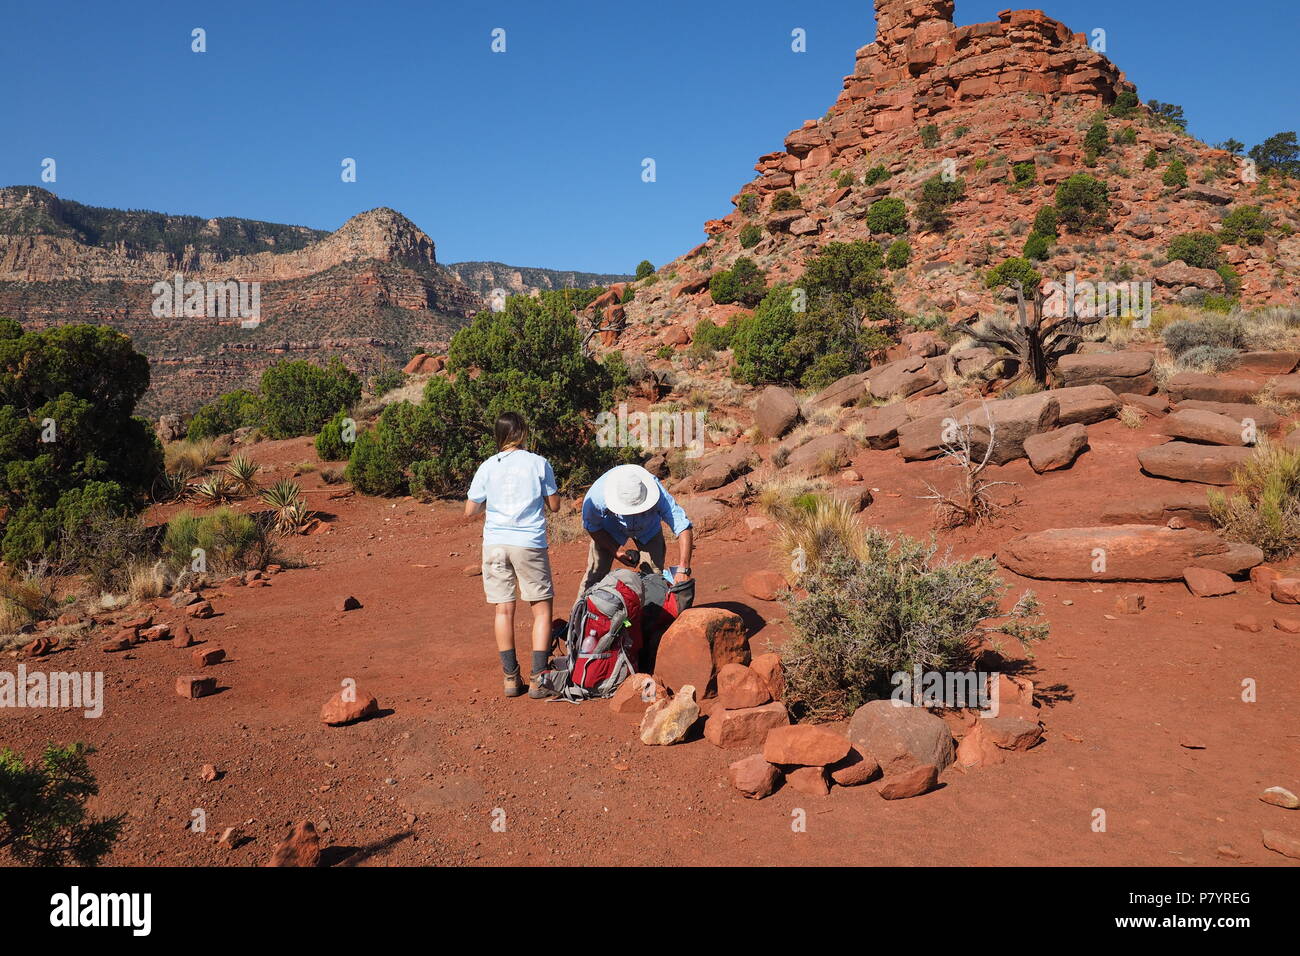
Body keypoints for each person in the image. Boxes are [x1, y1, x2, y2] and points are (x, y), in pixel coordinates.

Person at [465, 412, 560, 699]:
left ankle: (510, 679)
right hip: (528, 542)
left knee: (503, 610)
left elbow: (470, 510)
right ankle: (538, 680)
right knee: (541, 609)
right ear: (522, 433)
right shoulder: (538, 463)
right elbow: (554, 505)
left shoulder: (487, 466)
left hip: (495, 543)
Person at [579, 463, 693, 596]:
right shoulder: (597, 497)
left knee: (654, 578)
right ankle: (580, 613)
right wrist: (615, 552)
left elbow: (682, 525)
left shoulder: (657, 491)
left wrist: (683, 569)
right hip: (611, 528)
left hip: (648, 528)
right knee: (595, 575)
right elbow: (592, 527)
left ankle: (649, 613)